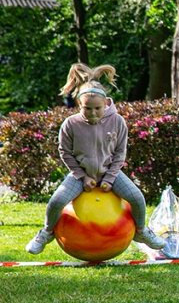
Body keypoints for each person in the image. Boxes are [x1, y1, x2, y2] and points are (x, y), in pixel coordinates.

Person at [25, 63, 166, 255]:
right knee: (56, 202)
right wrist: (82, 176)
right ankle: (46, 232)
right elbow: (65, 152)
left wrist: (108, 178)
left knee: (136, 198)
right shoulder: (70, 124)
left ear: (106, 103)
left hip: (111, 174)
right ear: (79, 105)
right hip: (79, 176)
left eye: (97, 108)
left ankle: (141, 231)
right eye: (87, 109)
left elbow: (119, 152)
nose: (93, 113)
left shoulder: (117, 121)